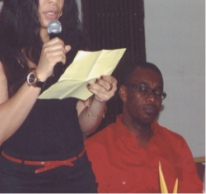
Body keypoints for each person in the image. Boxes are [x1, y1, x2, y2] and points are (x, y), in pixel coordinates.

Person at [0, 0, 117, 192]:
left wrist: (98, 101)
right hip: (23, 179)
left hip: (76, 175)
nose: (55, 0)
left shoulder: (71, 43)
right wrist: (39, 76)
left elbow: (83, 125)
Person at [84, 62, 204, 193]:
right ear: (124, 93)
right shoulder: (96, 149)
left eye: (157, 92)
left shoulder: (177, 145)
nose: (152, 98)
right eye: (144, 90)